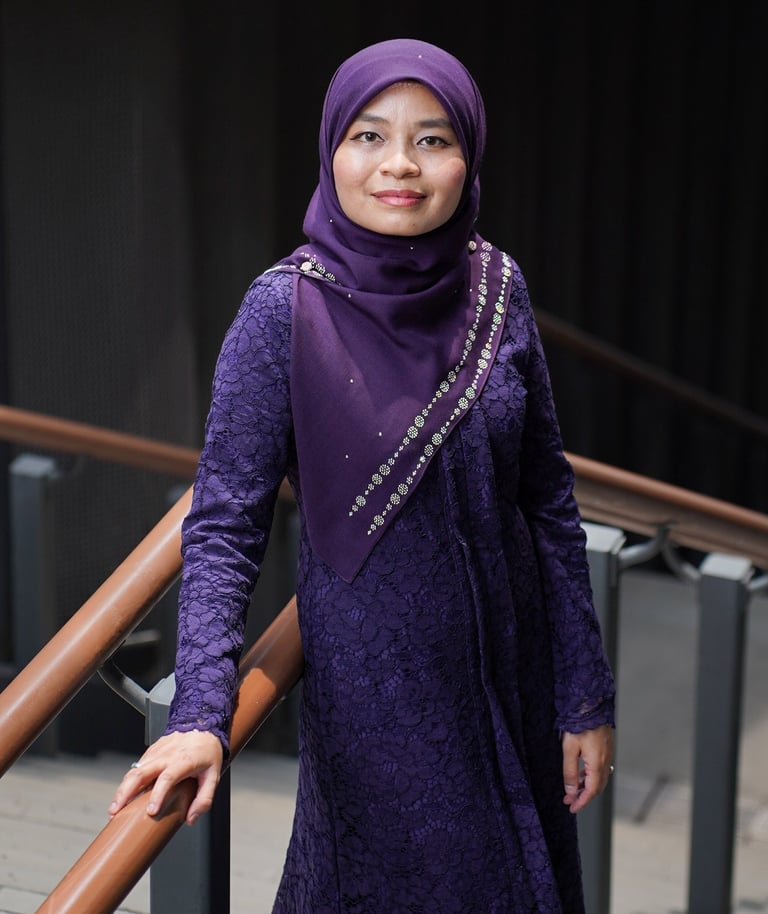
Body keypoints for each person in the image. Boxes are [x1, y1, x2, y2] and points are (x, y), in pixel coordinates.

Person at [110, 37, 615, 913]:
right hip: (384, 708)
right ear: (332, 149)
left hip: (518, 678)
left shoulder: (498, 288)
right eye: (370, 135)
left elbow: (548, 504)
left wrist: (584, 697)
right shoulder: (283, 311)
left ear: (468, 157)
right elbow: (226, 524)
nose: (400, 165)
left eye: (433, 139)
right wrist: (198, 716)